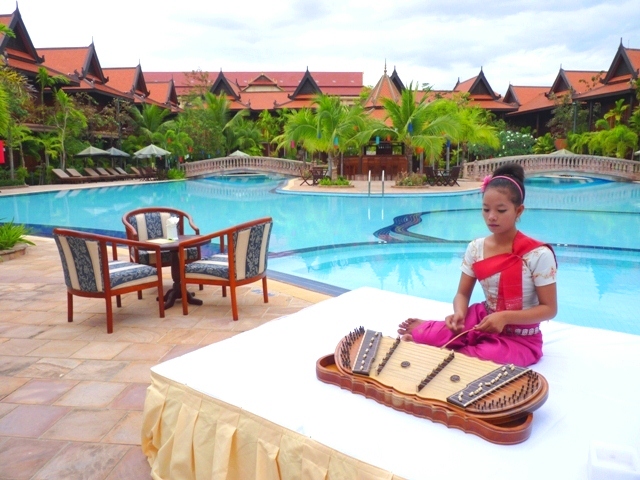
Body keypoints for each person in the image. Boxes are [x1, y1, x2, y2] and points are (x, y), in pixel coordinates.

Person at [398, 163, 557, 367]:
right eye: (485, 209)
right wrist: (459, 314)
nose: (491, 216)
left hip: (520, 338)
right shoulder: (476, 248)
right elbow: (462, 294)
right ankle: (434, 335)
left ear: (519, 211)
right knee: (432, 335)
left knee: (468, 361)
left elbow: (549, 309)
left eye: (501, 210)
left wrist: (505, 318)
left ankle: (440, 347)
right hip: (483, 319)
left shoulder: (537, 254)